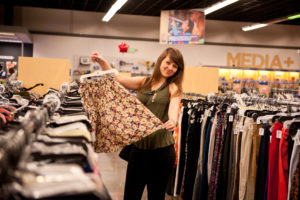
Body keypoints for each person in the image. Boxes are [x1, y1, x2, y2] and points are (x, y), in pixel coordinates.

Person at [90, 47, 184, 200]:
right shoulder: (145, 82)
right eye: (168, 63)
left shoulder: (174, 87)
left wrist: (173, 120)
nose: (170, 68)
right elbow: (118, 78)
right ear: (161, 61)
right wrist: (103, 63)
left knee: (156, 196)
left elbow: (174, 107)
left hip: (162, 152)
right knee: (131, 195)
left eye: (175, 66)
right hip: (139, 149)